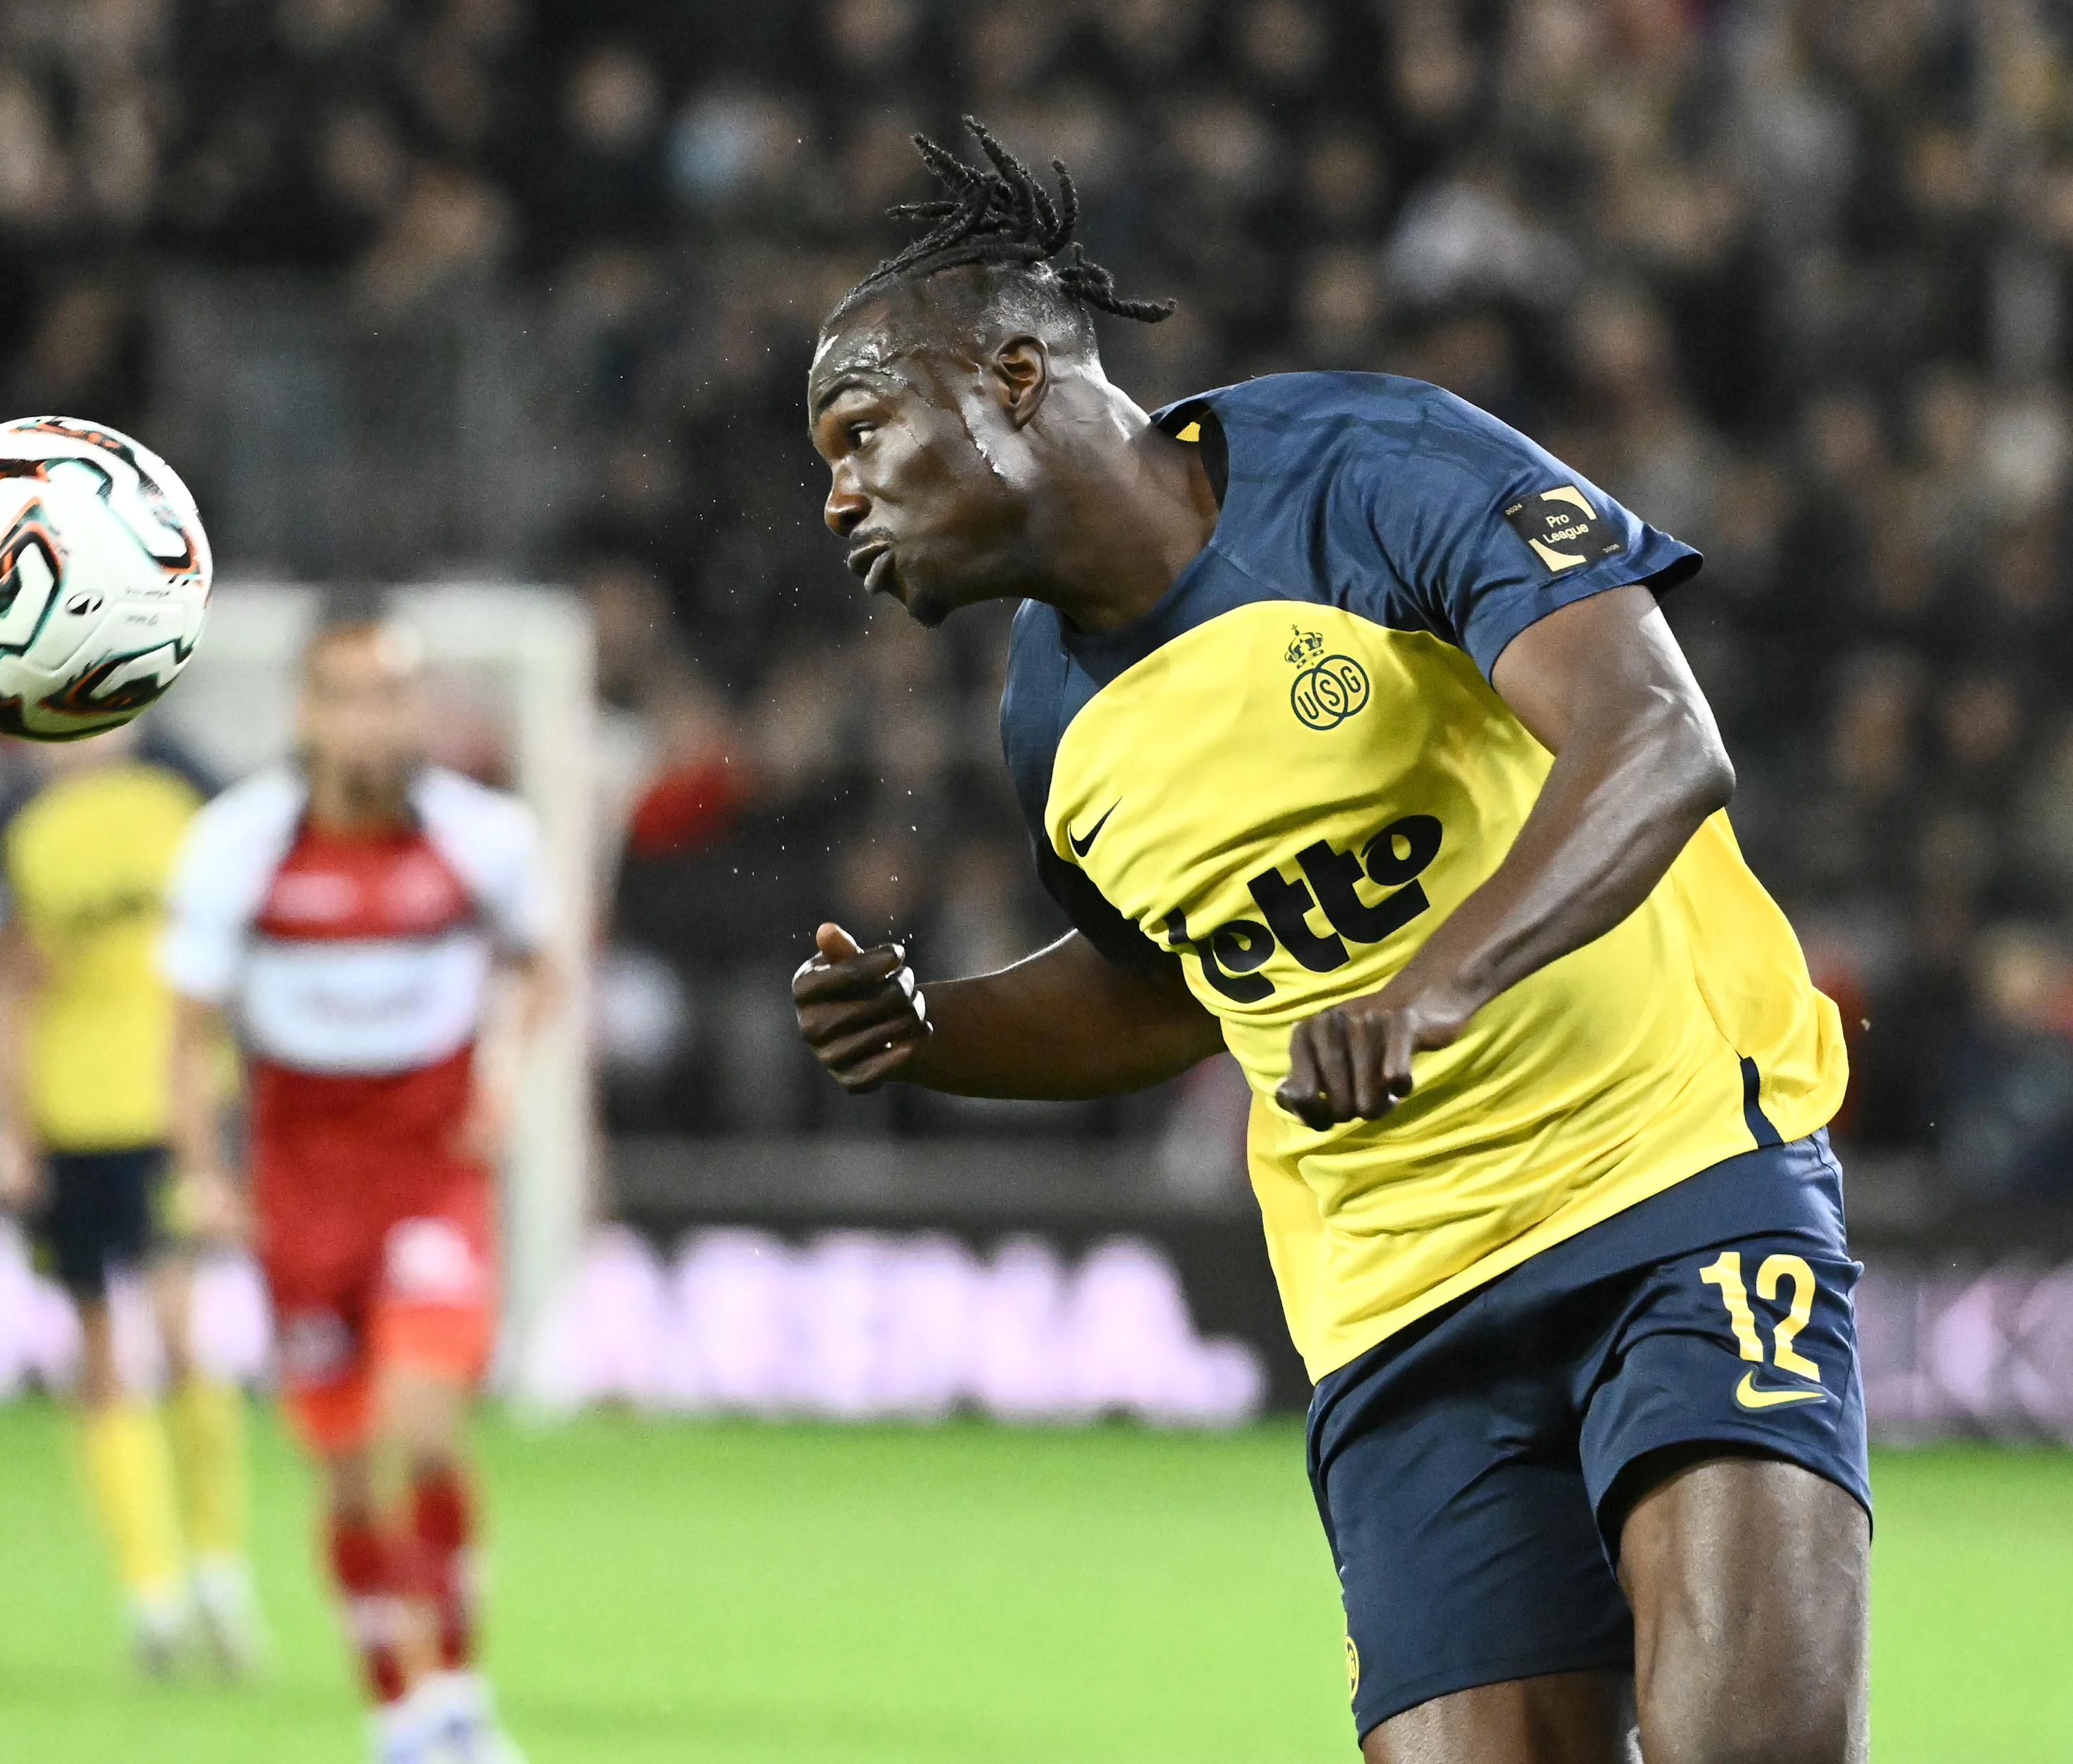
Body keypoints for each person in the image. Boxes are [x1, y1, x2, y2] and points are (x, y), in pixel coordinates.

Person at [790, 126, 1864, 1764]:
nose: (836, 492)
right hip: (1395, 1303)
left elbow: (1655, 737)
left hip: (1670, 1179)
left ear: (1012, 375)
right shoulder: (1049, 721)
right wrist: (940, 1024)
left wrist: (1437, 984)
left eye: (861, 430)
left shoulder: (1366, 467)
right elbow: (1176, 987)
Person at [161, 615, 555, 1764]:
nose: (370, 721)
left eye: (390, 695)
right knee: (340, 1467)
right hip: (301, 1191)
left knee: (420, 1428)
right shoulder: (236, 848)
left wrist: (503, 1074)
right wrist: (202, 1171)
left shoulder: (485, 837)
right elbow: (186, 1031)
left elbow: (539, 966)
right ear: (306, 712)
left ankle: (462, 1698)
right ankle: (394, 1711)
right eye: (346, 695)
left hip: (431, 1174)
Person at [0, 719, 262, 1675]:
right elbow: (7, 992)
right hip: (71, 1114)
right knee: (100, 1353)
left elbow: (220, 967)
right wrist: (10, 1128)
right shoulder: (23, 836)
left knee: (180, 1335)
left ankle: (219, 1570)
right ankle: (153, 1594)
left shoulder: (182, 812)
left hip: (169, 1109)